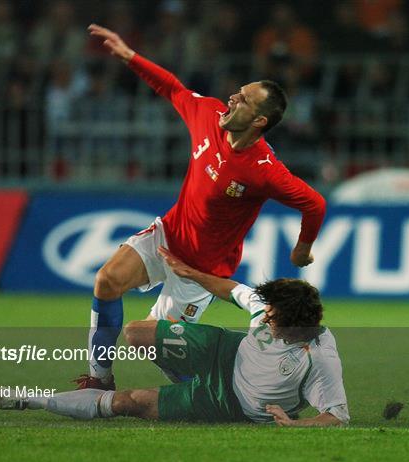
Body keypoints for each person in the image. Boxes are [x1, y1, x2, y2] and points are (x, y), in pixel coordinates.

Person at [76, 23, 327, 391]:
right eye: (237, 93)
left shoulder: (263, 170)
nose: (232, 99)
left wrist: (302, 249)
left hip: (201, 269)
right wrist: (130, 56)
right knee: (107, 280)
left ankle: (218, 391)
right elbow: (172, 87)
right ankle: (100, 381)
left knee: (155, 347)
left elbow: (315, 203)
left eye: (243, 100)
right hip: (169, 234)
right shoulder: (207, 116)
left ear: (259, 121)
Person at [0, 246, 349, 427]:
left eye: (272, 317)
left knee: (128, 403)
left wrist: (296, 424)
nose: (265, 316)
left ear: (296, 323)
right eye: (266, 311)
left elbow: (337, 416)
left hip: (227, 404)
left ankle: (32, 400)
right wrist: (188, 272)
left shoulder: (319, 356)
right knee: (135, 333)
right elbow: (232, 289)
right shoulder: (271, 309)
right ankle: (185, 373)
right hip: (222, 351)